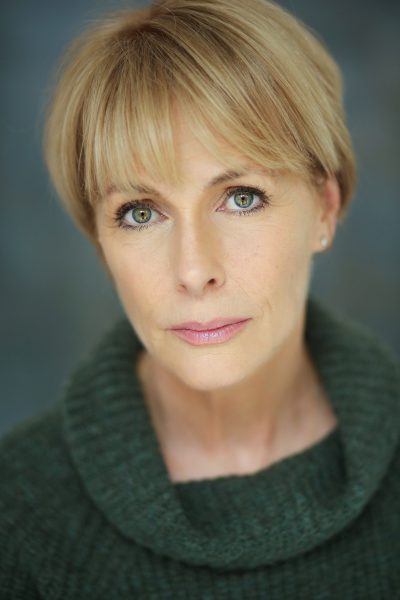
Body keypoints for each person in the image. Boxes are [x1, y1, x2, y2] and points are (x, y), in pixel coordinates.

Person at [1, 0, 399, 597]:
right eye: (140, 213)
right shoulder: (16, 514)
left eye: (241, 197)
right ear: (100, 241)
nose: (193, 270)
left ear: (324, 207)